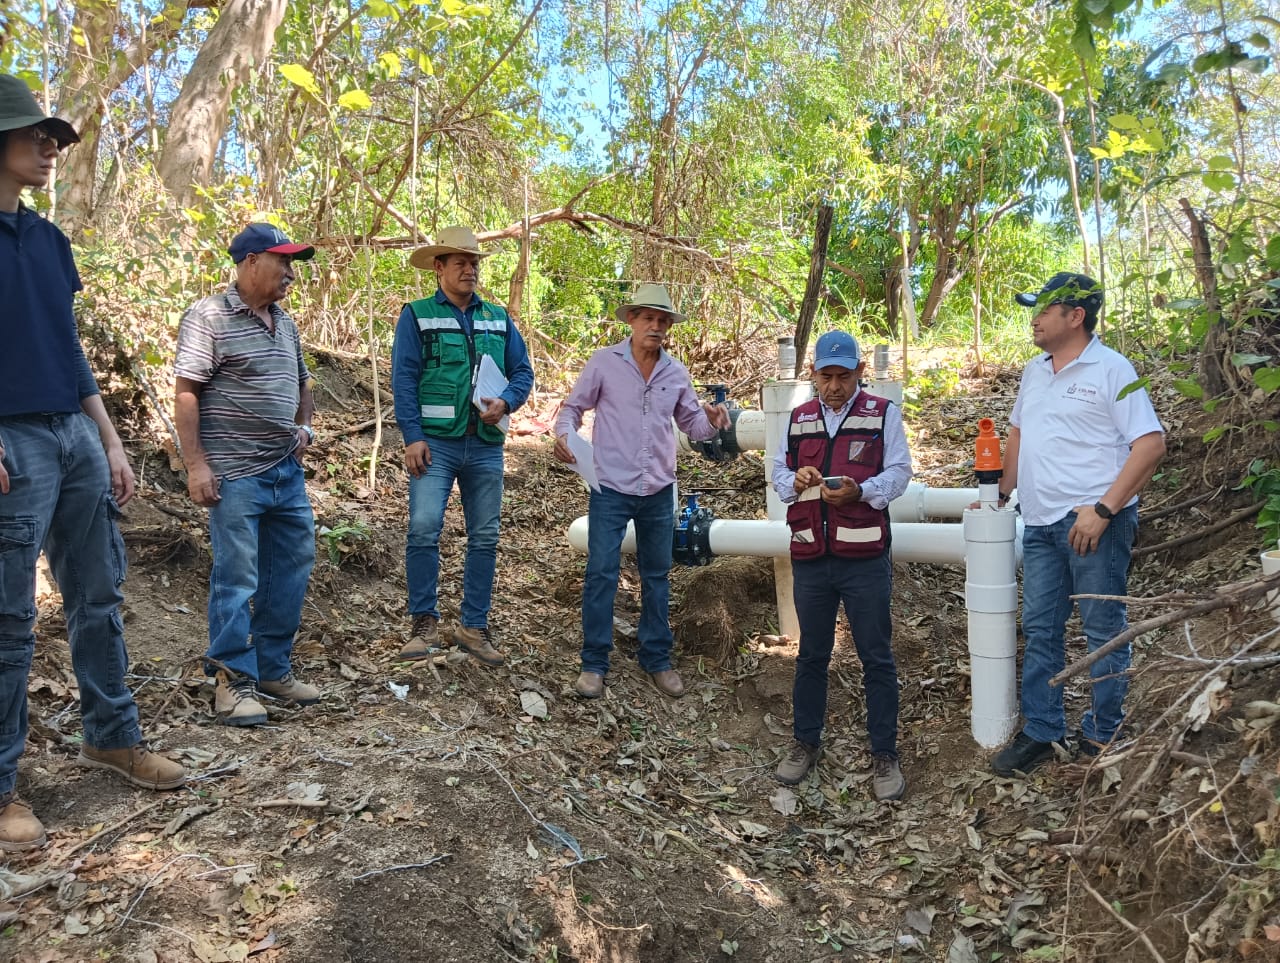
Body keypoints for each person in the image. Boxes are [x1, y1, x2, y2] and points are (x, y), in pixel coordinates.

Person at [0, 75, 185, 851]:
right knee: (9, 618)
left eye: (54, 139)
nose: (49, 148)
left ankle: (111, 735)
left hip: (71, 434)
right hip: (11, 439)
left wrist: (109, 439)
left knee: (98, 595)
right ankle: (3, 785)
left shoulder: (47, 240)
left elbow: (68, 347)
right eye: (35, 135)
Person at [991, 272, 1165, 777]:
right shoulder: (1035, 371)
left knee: (1101, 631)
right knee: (1041, 629)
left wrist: (1105, 509)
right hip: (1041, 522)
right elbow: (1019, 433)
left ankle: (1101, 734)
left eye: (1045, 309)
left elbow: (1150, 445)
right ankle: (1042, 731)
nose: (1035, 318)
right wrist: (1003, 492)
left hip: (1094, 524)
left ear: (1076, 316)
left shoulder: (1112, 369)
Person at [174, 223, 322, 727]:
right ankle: (231, 681)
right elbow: (187, 392)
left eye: (293, 264)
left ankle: (273, 668)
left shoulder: (286, 323)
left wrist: (304, 427)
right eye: (283, 262)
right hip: (234, 473)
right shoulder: (209, 315)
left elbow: (303, 382)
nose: (290, 274)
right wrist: (196, 464)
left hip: (285, 470)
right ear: (252, 260)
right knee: (237, 577)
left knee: (292, 567)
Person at [554, 283, 730, 699]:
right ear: (631, 320)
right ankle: (594, 662)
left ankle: (657, 658)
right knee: (600, 572)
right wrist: (564, 436)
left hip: (658, 490)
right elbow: (573, 408)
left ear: (669, 326)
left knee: (656, 576)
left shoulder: (676, 372)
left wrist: (714, 420)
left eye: (663, 320)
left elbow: (694, 427)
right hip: (610, 487)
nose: (655, 326)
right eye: (648, 318)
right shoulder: (604, 363)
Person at [770, 330, 913, 800]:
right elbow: (777, 473)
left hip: (864, 558)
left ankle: (884, 753)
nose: (834, 386)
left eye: (843, 376)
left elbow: (898, 473)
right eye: (826, 376)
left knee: (876, 655)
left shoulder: (883, 414)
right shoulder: (798, 418)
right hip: (812, 556)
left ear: (859, 374)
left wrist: (862, 491)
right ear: (813, 374)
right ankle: (804, 743)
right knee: (811, 654)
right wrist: (798, 479)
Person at [391, 226, 535, 666]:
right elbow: (404, 379)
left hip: (486, 444)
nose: (470, 269)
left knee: (485, 537)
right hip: (434, 444)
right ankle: (423, 624)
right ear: (439, 268)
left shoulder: (497, 317)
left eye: (474, 263)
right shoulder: (416, 315)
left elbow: (523, 372)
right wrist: (412, 436)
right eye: (461, 263)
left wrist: (507, 402)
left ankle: (473, 627)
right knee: (423, 528)